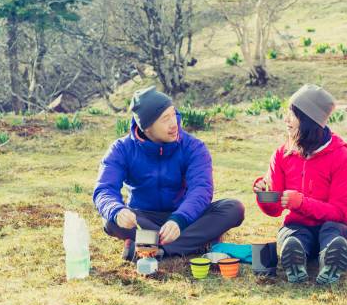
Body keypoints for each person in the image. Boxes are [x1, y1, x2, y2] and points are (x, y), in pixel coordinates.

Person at [93, 86, 244, 261]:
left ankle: (151, 247)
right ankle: (192, 243)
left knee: (234, 208)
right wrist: (117, 211)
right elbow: (104, 190)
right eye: (165, 119)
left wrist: (179, 219)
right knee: (110, 221)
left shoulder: (193, 147)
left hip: (185, 216)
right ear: (147, 127)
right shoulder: (121, 149)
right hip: (143, 218)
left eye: (173, 114)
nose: (174, 123)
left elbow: (201, 189)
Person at [253, 84, 347, 284]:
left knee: (333, 233)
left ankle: (331, 258)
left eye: (291, 115)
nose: (286, 120)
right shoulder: (282, 154)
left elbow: (338, 211)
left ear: (308, 120)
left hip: (338, 226)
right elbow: (275, 209)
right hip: (300, 225)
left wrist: (301, 203)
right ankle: (295, 257)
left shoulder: (344, 159)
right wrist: (264, 195)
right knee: (293, 235)